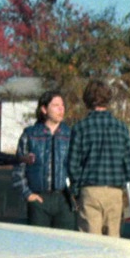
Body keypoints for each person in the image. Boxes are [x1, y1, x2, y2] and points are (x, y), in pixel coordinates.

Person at [66, 81, 130, 236]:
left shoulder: (80, 128)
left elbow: (72, 165)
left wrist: (76, 191)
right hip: (115, 192)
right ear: (108, 100)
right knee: (113, 243)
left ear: (87, 101)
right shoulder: (122, 128)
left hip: (90, 191)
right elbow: (128, 166)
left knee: (90, 244)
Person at [15, 90, 77, 229]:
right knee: (38, 245)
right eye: (56, 105)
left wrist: (75, 194)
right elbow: (19, 167)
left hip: (64, 200)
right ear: (44, 109)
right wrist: (28, 194)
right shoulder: (30, 134)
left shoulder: (70, 135)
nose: (61, 109)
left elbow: (78, 167)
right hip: (39, 199)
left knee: (65, 244)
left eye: (62, 105)